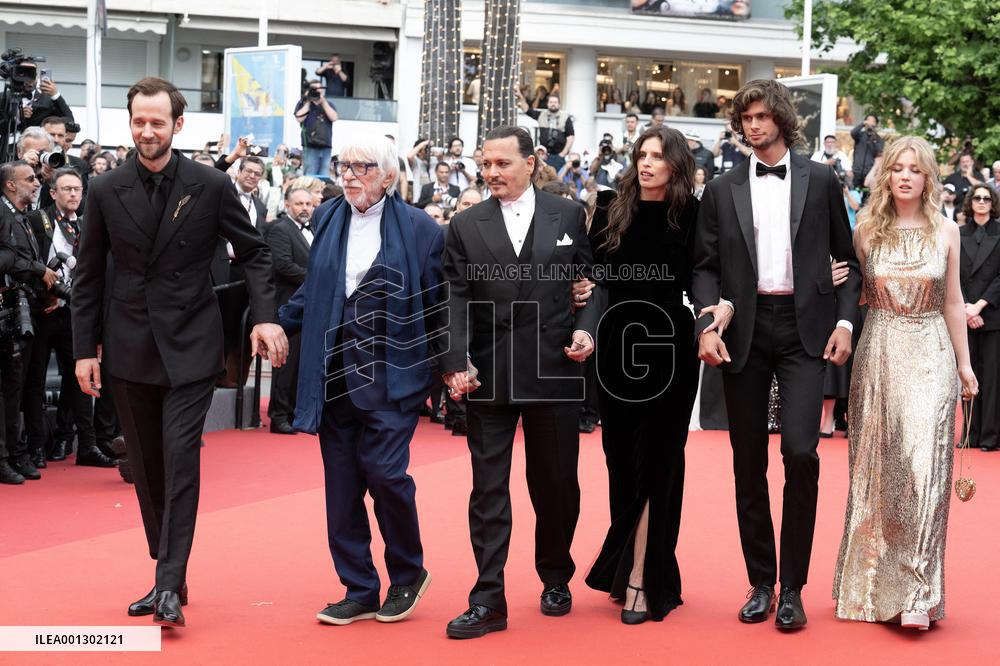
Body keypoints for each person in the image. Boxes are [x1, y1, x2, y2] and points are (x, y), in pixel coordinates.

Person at [72, 77, 287, 628]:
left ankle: (167, 583)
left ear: (178, 125)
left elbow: (254, 252)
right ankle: (169, 567)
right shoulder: (105, 188)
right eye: (139, 122)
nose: (147, 131)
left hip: (192, 342)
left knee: (180, 458)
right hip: (128, 344)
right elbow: (88, 274)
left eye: (157, 122)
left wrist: (265, 316)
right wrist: (84, 349)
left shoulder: (210, 184)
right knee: (146, 468)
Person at [692, 79, 861, 631]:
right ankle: (761, 582)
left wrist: (844, 322)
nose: (754, 125)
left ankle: (793, 586)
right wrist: (706, 322)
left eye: (763, 116)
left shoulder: (821, 178)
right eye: (746, 118)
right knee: (747, 461)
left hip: (803, 329)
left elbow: (848, 259)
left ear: (782, 119)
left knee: (801, 453)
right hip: (741, 327)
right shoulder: (722, 189)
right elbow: (704, 267)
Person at [441, 125, 601, 639]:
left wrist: (586, 329)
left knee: (555, 486)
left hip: (554, 369)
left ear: (530, 163)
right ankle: (488, 598)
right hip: (487, 374)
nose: (491, 173)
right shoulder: (466, 224)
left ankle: (556, 576)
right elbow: (454, 296)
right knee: (487, 489)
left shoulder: (568, 214)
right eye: (485, 164)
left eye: (501, 163)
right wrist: (455, 359)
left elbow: (591, 283)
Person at [279, 135, 443, 625]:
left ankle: (408, 574)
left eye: (362, 167)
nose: (349, 175)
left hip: (393, 377)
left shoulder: (420, 229)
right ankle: (359, 588)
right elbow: (316, 288)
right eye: (343, 166)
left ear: (388, 175)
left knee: (386, 475)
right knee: (342, 486)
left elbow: (438, 302)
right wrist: (276, 322)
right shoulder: (328, 217)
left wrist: (453, 363)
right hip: (333, 376)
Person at [833, 136, 978, 630]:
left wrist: (964, 365)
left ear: (928, 177)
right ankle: (872, 589)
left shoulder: (947, 230)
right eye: (898, 168)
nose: (906, 176)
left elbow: (953, 301)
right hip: (879, 355)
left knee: (925, 472)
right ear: (887, 175)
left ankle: (918, 593)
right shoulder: (866, 231)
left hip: (932, 354)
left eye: (915, 169)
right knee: (879, 475)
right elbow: (851, 290)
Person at [583, 127, 706, 624]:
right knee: (620, 461)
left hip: (669, 345)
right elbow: (589, 273)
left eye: (658, 155)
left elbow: (709, 274)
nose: (647, 163)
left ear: (676, 164)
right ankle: (631, 567)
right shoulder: (609, 207)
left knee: (660, 461)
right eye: (642, 154)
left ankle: (641, 577)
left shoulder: (693, 214)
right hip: (617, 345)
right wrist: (577, 291)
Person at [21, 168, 116, 470]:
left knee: (80, 378)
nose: (73, 194)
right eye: (66, 189)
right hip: (43, 310)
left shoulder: (87, 223)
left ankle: (82, 443)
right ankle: (36, 446)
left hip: (76, 311)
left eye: (77, 189)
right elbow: (28, 261)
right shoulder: (37, 221)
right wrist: (44, 294)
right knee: (35, 380)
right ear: (52, 193)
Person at [959, 184, 1000, 451]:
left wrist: (979, 306)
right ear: (970, 202)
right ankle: (969, 434)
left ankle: (990, 436)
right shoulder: (958, 233)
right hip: (963, 316)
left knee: (993, 377)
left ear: (992, 203)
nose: (982, 202)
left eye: (986, 198)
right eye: (977, 198)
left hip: (993, 314)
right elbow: (951, 274)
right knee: (967, 374)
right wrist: (966, 309)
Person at [517, 93, 575, 171]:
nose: (553, 104)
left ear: (559, 104)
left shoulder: (565, 117)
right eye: (551, 102)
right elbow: (526, 110)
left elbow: (570, 137)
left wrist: (563, 154)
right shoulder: (541, 115)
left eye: (555, 102)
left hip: (558, 156)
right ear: (547, 104)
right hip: (543, 155)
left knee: (555, 177)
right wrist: (521, 97)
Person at [294, 81, 338, 177]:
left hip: (326, 146)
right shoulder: (303, 103)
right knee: (310, 175)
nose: (317, 90)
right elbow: (299, 118)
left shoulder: (328, 103)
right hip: (310, 146)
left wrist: (323, 102)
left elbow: (334, 118)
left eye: (319, 88)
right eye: (314, 88)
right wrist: (308, 101)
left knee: (324, 176)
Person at [850, 115, 884, 191]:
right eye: (868, 120)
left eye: (873, 121)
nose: (870, 122)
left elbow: (879, 151)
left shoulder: (878, 139)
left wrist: (874, 138)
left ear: (876, 124)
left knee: (867, 195)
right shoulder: (860, 135)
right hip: (856, 171)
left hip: (869, 173)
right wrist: (863, 124)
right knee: (854, 193)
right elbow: (853, 133)